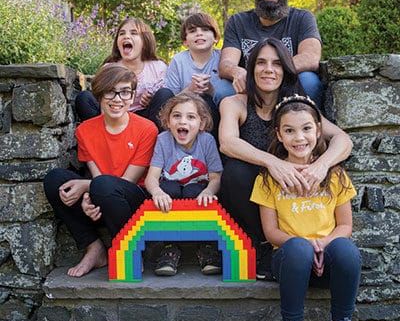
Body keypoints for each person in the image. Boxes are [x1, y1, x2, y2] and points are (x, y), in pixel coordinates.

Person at [250, 94, 372, 321]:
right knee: (296, 248)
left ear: (318, 131)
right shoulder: (268, 178)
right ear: (279, 135)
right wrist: (306, 244)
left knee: (347, 250)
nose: (299, 137)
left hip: (327, 258)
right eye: (289, 130)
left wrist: (322, 243)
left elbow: (345, 226)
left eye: (306, 128)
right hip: (290, 261)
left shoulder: (335, 175)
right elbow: (271, 232)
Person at [218, 37, 353, 280]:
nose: (268, 69)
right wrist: (273, 163)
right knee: (235, 171)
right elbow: (227, 142)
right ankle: (261, 246)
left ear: (286, 70)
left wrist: (322, 165)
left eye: (277, 64)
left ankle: (307, 248)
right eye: (261, 63)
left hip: (293, 199)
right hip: (252, 194)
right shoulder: (234, 103)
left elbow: (343, 139)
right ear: (251, 69)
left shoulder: (296, 108)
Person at [44, 64, 158, 277]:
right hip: (103, 195)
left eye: (125, 92)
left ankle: (127, 249)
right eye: (110, 92)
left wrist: (88, 188)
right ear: (98, 95)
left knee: (104, 186)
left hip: (133, 204)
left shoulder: (147, 129)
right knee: (55, 180)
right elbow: (97, 176)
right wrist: (89, 199)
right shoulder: (85, 131)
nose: (117, 99)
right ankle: (94, 248)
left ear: (132, 96)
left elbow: (127, 181)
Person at [214, 0, 323, 107]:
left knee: (309, 81)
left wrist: (271, 73)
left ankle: (305, 127)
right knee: (222, 90)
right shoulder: (238, 21)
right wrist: (237, 72)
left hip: (288, 83)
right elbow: (226, 64)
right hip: (250, 87)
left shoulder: (303, 18)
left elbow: (311, 57)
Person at [145, 92, 223, 276]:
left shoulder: (207, 140)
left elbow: (216, 177)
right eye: (177, 116)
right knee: (168, 188)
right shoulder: (164, 140)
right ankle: (170, 247)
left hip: (196, 193)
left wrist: (209, 191)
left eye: (191, 117)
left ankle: (204, 245)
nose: (183, 122)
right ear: (168, 121)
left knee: (194, 191)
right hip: (170, 194)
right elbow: (151, 177)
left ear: (201, 124)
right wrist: (156, 192)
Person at [75, 17, 170, 129]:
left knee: (165, 93)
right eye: (122, 33)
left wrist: (152, 100)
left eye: (134, 33)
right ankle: (102, 139)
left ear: (145, 41)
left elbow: (166, 100)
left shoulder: (158, 67)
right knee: (84, 97)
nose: (126, 36)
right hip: (112, 117)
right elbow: (100, 99)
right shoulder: (109, 68)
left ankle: (152, 143)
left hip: (145, 121)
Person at [162, 12, 223, 139]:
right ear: (185, 41)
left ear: (215, 37)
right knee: (162, 93)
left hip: (215, 116)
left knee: (206, 101)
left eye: (205, 30)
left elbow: (229, 100)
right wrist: (190, 90)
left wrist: (211, 90)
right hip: (183, 116)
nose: (199, 33)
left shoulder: (223, 58)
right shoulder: (178, 61)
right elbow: (170, 100)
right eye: (193, 31)